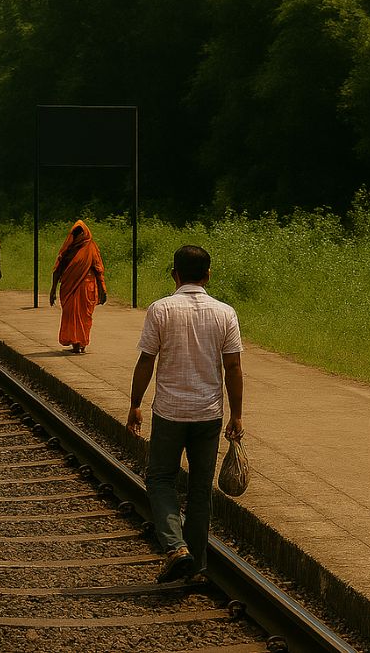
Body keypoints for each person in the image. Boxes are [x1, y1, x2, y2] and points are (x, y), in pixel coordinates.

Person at [126, 245, 244, 583]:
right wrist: (237, 414)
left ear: (174, 273)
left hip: (170, 412)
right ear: (208, 275)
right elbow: (233, 366)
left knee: (160, 479)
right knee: (200, 488)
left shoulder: (161, 310)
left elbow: (146, 359)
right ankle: (196, 568)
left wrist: (135, 403)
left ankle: (176, 548)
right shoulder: (225, 313)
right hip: (208, 413)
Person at [48, 220, 107, 353]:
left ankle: (82, 344)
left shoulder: (91, 247)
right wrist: (52, 290)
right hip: (69, 288)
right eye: (75, 234)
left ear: (85, 233)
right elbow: (58, 269)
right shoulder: (68, 249)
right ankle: (75, 344)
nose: (78, 236)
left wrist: (103, 289)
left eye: (80, 233)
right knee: (70, 315)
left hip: (87, 288)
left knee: (84, 317)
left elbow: (98, 270)